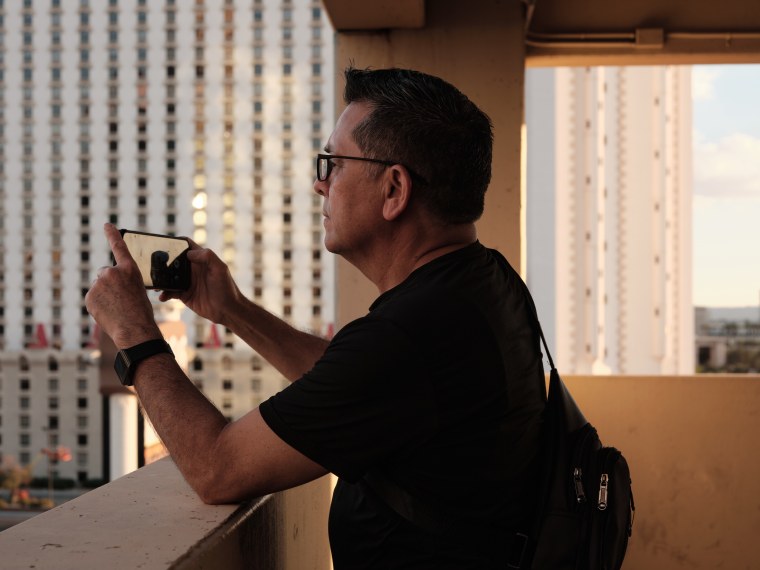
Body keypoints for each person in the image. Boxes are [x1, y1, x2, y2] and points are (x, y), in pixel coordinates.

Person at [85, 67, 546, 569]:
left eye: (333, 163)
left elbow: (217, 470)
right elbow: (355, 383)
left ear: (394, 190)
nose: (319, 184)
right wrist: (234, 310)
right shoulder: (484, 280)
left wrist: (134, 334)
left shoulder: (408, 336)